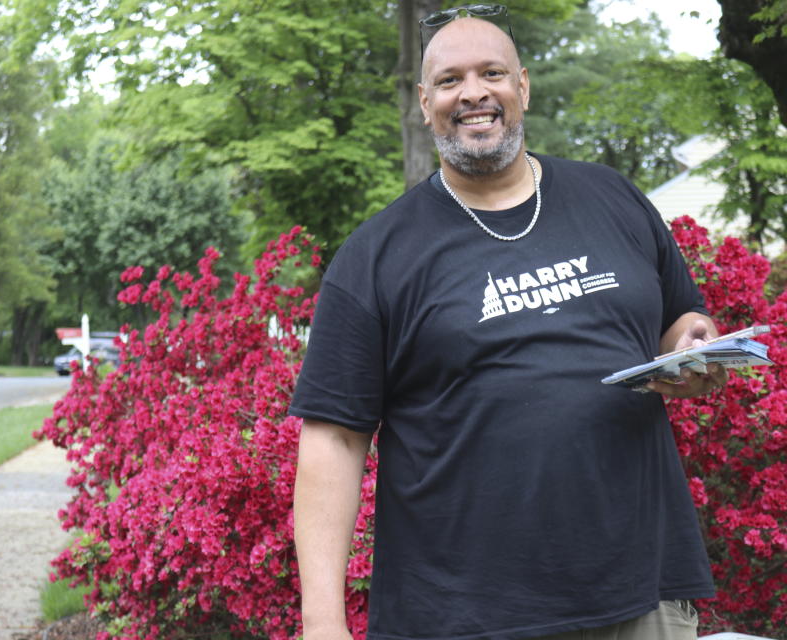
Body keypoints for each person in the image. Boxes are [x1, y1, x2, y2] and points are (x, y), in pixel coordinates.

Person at [289, 9, 728, 640]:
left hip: (641, 593)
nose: (473, 93)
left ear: (521, 86)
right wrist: (322, 623)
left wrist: (692, 347)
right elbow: (333, 439)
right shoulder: (375, 256)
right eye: (450, 80)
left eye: (491, 73)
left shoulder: (613, 199)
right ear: (424, 101)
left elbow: (679, 320)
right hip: (463, 614)